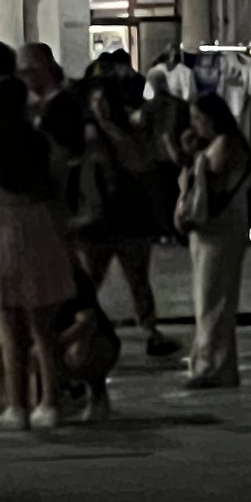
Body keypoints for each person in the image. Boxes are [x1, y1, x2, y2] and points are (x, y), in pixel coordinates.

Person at [0, 72, 78, 429]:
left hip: (1, 228)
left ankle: (18, 406)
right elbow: (58, 189)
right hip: (39, 228)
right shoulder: (39, 142)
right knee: (44, 327)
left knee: (9, 327)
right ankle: (51, 402)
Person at [76, 61, 170, 358]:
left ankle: (149, 328)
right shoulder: (89, 136)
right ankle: (84, 329)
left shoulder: (127, 131)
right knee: (92, 279)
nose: (100, 106)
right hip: (100, 218)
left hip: (128, 215)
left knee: (137, 277)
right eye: (95, 101)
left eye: (104, 100)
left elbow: (140, 162)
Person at [176, 91, 251, 389]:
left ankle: (211, 366)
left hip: (219, 231)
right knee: (210, 297)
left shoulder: (223, 146)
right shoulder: (223, 144)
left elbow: (209, 186)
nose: (196, 125)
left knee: (212, 298)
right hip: (217, 231)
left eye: (199, 118)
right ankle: (215, 364)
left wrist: (193, 164)